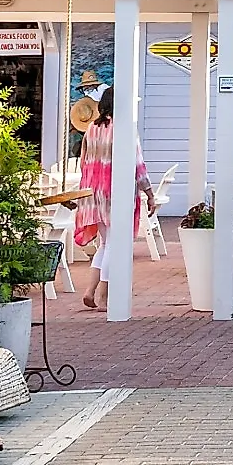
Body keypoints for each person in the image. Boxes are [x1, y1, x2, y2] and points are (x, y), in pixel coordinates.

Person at [72, 89, 152, 310]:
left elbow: (83, 161)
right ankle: (106, 295)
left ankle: (90, 290)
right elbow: (137, 164)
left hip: (92, 192)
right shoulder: (124, 128)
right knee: (115, 245)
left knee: (106, 243)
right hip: (114, 193)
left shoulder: (91, 128)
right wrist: (149, 192)